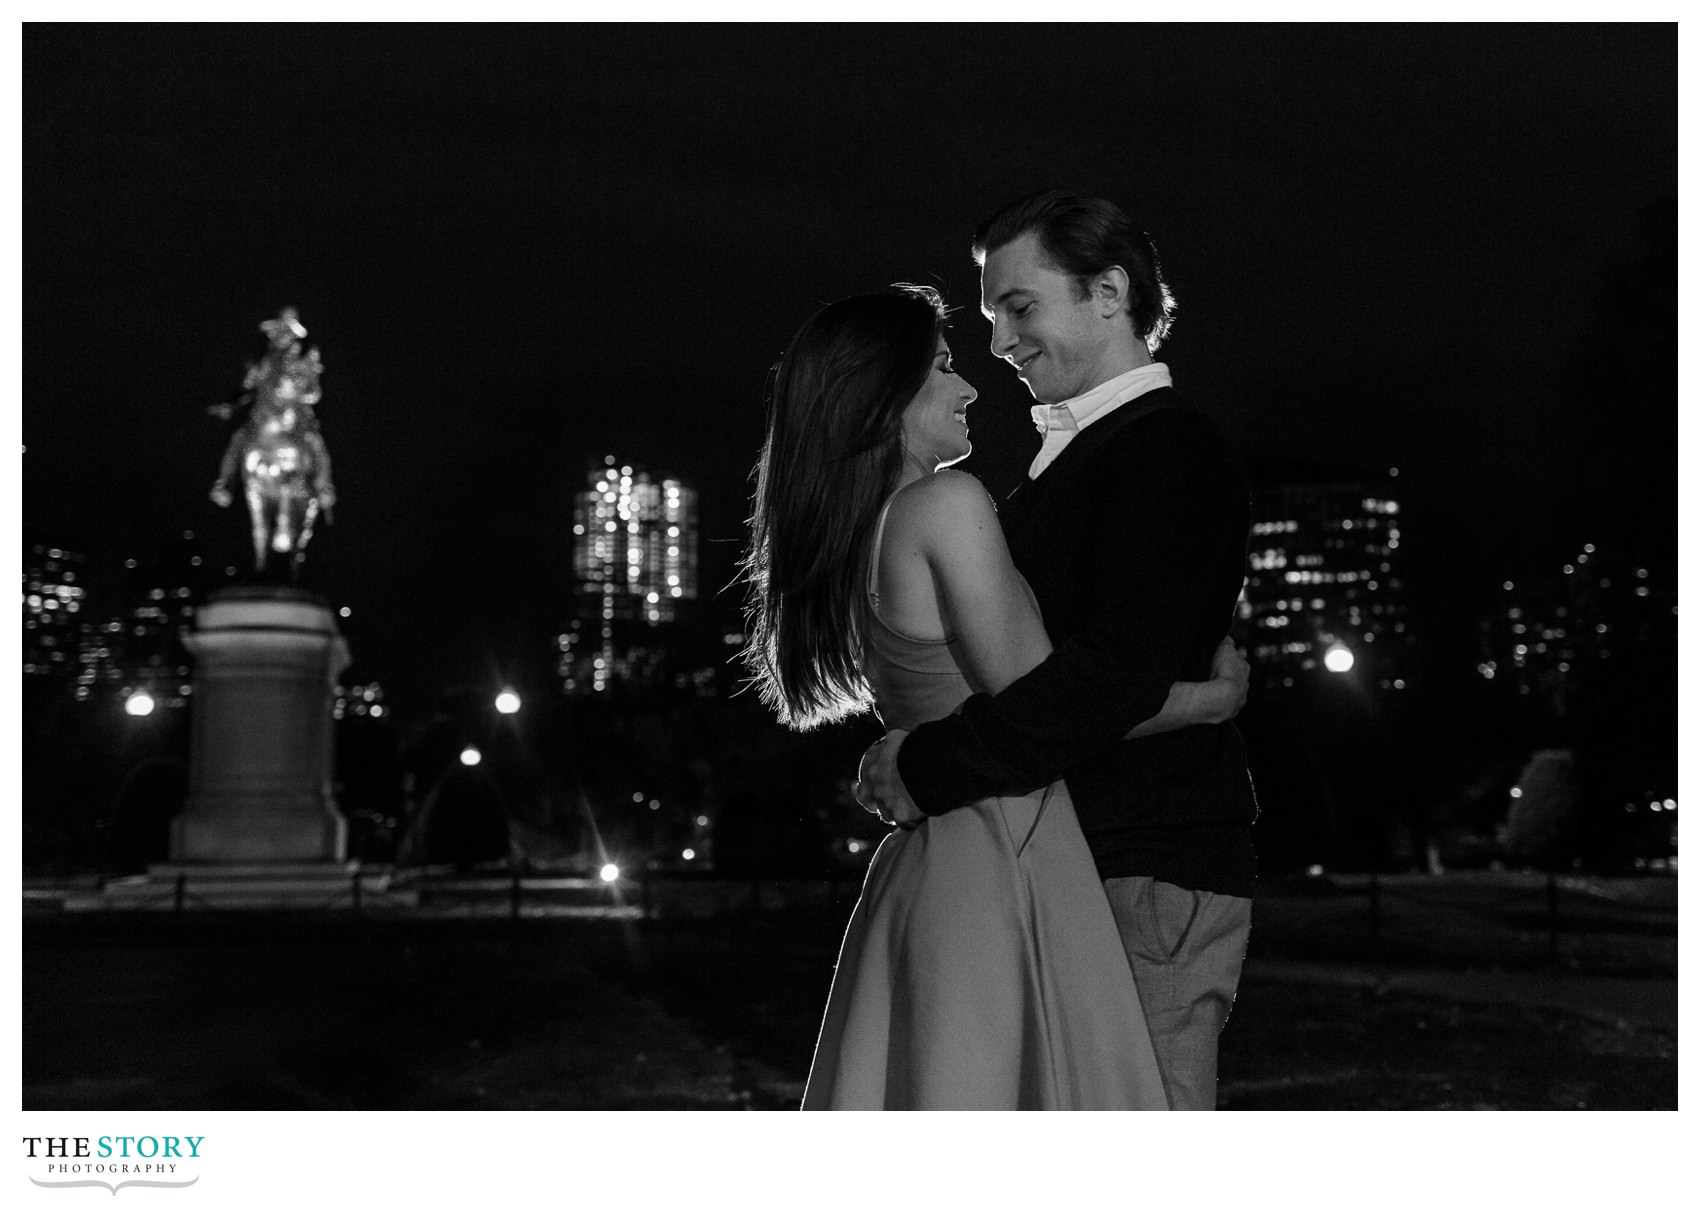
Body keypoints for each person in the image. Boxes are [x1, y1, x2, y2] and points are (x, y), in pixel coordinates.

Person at [740, 284, 1248, 1109]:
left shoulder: (858, 539)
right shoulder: (943, 506)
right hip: (1003, 851)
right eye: (942, 366)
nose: (970, 386)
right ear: (881, 399)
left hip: (929, 868)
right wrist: (1206, 701)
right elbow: (1050, 700)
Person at [855, 191, 1259, 1111]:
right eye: (991, 315)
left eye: (1020, 306)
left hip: (1144, 866)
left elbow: (1102, 680)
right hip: (1075, 860)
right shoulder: (1063, 465)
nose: (1000, 342)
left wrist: (931, 762)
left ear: (1110, 292)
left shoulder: (1169, 454)